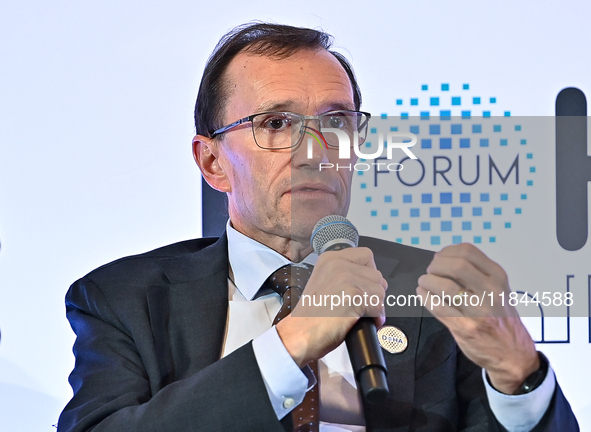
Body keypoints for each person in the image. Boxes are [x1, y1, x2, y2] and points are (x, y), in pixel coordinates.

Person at [57, 23, 578, 432]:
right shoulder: (124, 298)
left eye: (336, 123)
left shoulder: (431, 291)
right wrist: (291, 342)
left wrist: (519, 380)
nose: (315, 152)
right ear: (212, 162)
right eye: (276, 124)